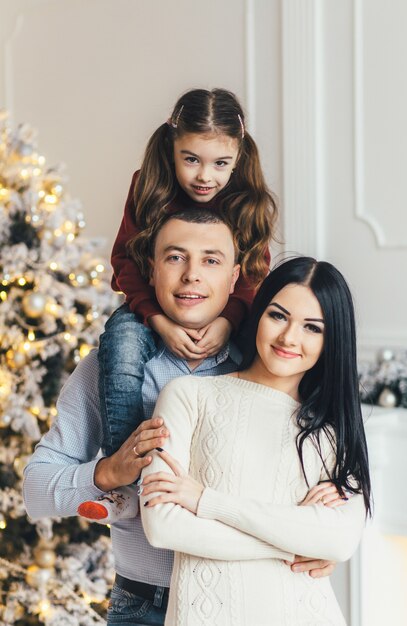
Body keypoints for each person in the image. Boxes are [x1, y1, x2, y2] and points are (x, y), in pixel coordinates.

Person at [24, 218, 337, 626]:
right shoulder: (107, 369)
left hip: (251, 595)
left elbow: (330, 487)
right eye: (175, 257)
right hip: (144, 605)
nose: (192, 274)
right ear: (152, 270)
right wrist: (107, 473)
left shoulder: (271, 361)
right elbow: (34, 489)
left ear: (233, 277)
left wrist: (320, 541)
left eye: (211, 260)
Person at [139, 256, 372, 626]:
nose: (289, 338)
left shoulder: (332, 428)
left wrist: (205, 501)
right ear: (258, 314)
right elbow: (163, 525)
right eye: (278, 316)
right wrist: (296, 540)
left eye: (313, 327)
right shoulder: (189, 396)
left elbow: (340, 542)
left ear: (332, 340)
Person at [98, 87, 277, 460]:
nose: (205, 176)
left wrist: (229, 321)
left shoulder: (247, 199)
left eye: (220, 164)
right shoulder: (148, 186)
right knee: (122, 343)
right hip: (150, 307)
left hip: (231, 310)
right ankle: (126, 463)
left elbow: (253, 274)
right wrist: (157, 320)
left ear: (238, 156)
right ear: (171, 147)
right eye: (191, 159)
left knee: (268, 344)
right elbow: (126, 262)